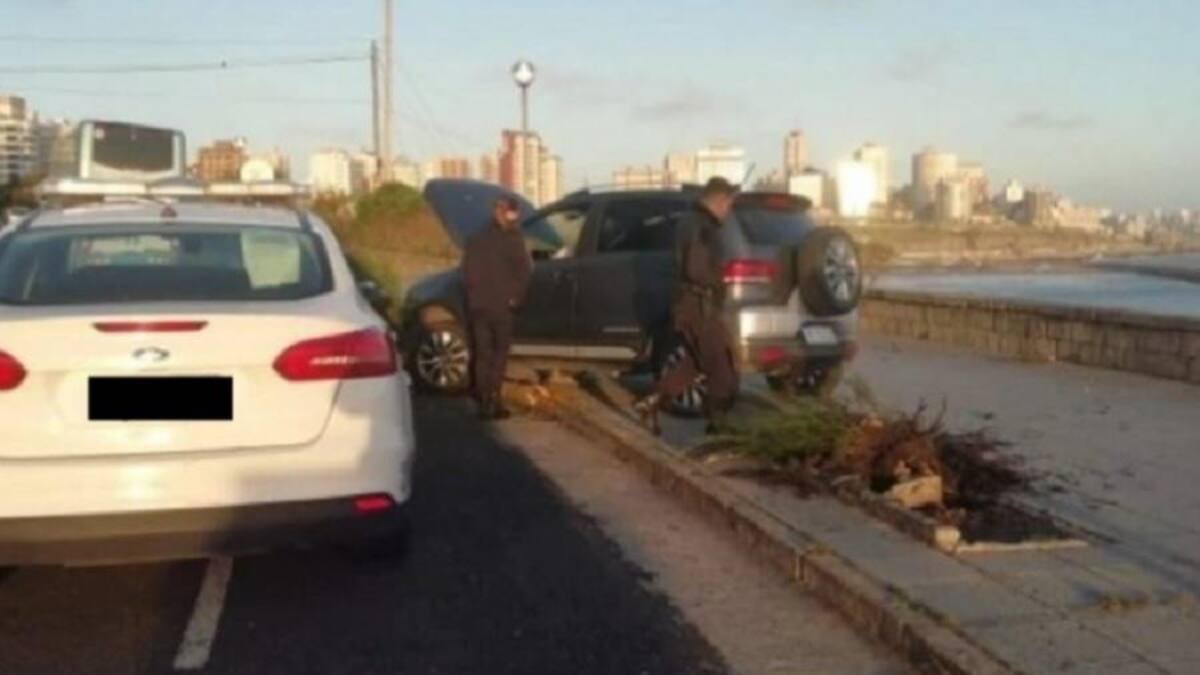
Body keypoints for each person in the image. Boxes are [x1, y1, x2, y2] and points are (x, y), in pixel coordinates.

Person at [635, 177, 740, 435]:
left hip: (693, 307)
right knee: (722, 367)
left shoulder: (693, 222)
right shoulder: (701, 226)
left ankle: (651, 403)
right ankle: (719, 426)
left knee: (692, 363)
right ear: (719, 200)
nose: (729, 211)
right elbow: (696, 268)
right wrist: (718, 281)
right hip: (699, 306)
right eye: (729, 204)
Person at [461, 195, 532, 420]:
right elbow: (524, 272)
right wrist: (515, 298)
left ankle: (484, 400)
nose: (515, 216)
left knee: (482, 354)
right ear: (507, 213)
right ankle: (494, 399)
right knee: (500, 354)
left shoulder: (475, 239)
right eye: (513, 212)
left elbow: (466, 272)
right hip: (502, 306)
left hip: (479, 305)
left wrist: (474, 296)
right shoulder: (513, 238)